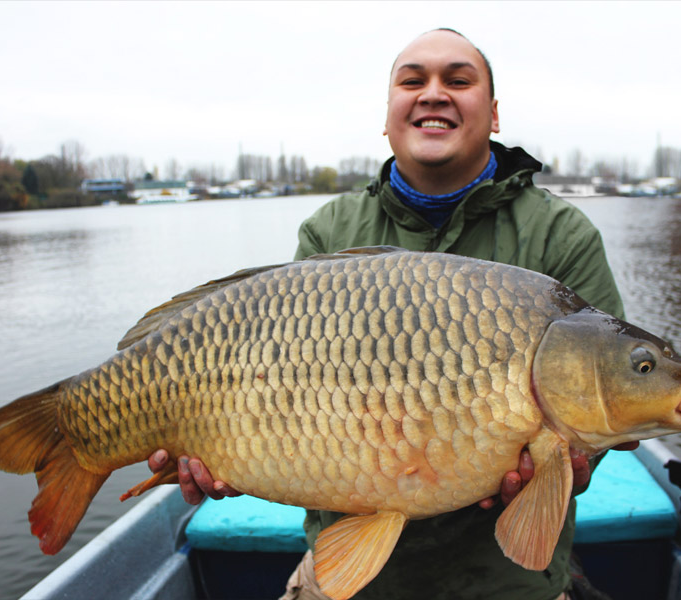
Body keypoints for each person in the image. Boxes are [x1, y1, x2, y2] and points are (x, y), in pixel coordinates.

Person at [148, 28, 635, 600]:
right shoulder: (330, 232)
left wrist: (576, 465)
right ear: (388, 116)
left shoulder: (561, 234)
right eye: (413, 81)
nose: (433, 93)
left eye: (458, 80)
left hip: (507, 584)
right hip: (351, 570)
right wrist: (226, 450)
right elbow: (287, 396)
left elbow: (606, 407)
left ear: (494, 113)